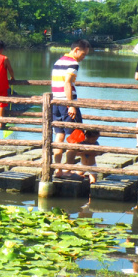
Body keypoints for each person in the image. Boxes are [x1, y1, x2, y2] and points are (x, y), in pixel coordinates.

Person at [51, 39, 91, 176]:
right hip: (67, 103)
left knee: (59, 135)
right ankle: (68, 169)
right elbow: (67, 83)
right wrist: (71, 105)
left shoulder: (59, 61)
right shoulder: (73, 63)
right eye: (83, 54)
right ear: (76, 50)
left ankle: (58, 169)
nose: (83, 58)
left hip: (56, 102)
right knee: (75, 136)